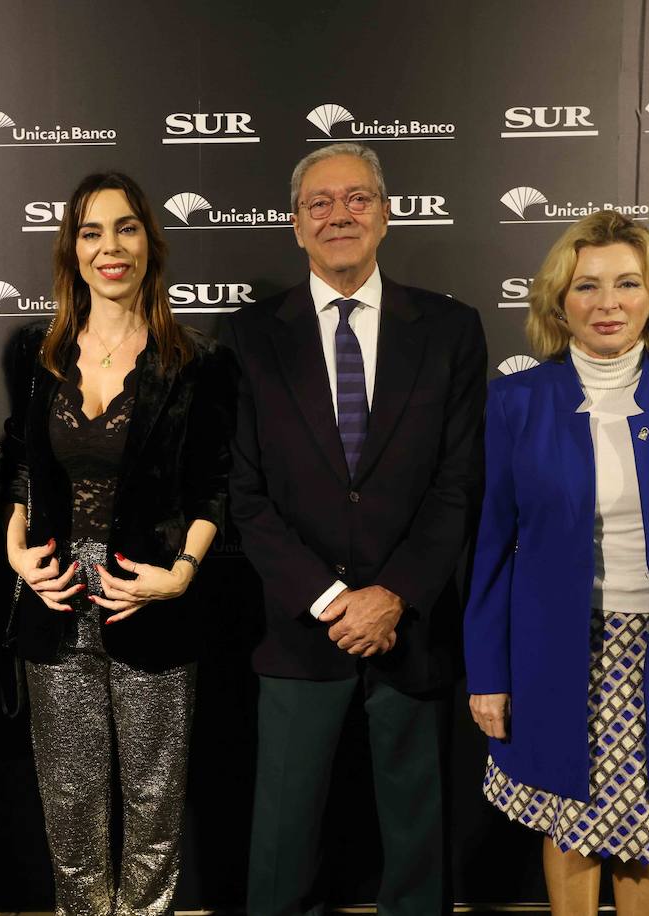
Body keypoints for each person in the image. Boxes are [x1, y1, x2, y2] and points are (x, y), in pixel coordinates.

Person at [464, 210, 649, 915]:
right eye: (587, 287)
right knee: (571, 823)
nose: (608, 303)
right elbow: (492, 546)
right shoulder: (516, 401)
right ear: (558, 303)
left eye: (627, 284)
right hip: (557, 649)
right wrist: (489, 671)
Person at [221, 142, 487, 916]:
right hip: (301, 628)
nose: (340, 214)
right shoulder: (245, 340)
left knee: (418, 845)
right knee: (281, 846)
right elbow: (244, 492)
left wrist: (394, 594)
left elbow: (458, 481)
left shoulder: (449, 328)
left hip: (413, 627)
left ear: (387, 212)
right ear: (295, 226)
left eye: (358, 198)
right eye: (320, 203)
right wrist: (333, 599)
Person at [1, 171, 232, 915]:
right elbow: (16, 465)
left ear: (148, 242)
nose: (110, 246)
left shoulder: (194, 360)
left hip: (149, 598)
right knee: (69, 801)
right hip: (55, 596)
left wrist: (181, 576)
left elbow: (212, 486)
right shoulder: (33, 352)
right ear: (71, 247)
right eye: (92, 230)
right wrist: (15, 552)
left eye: (126, 227)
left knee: (154, 803)